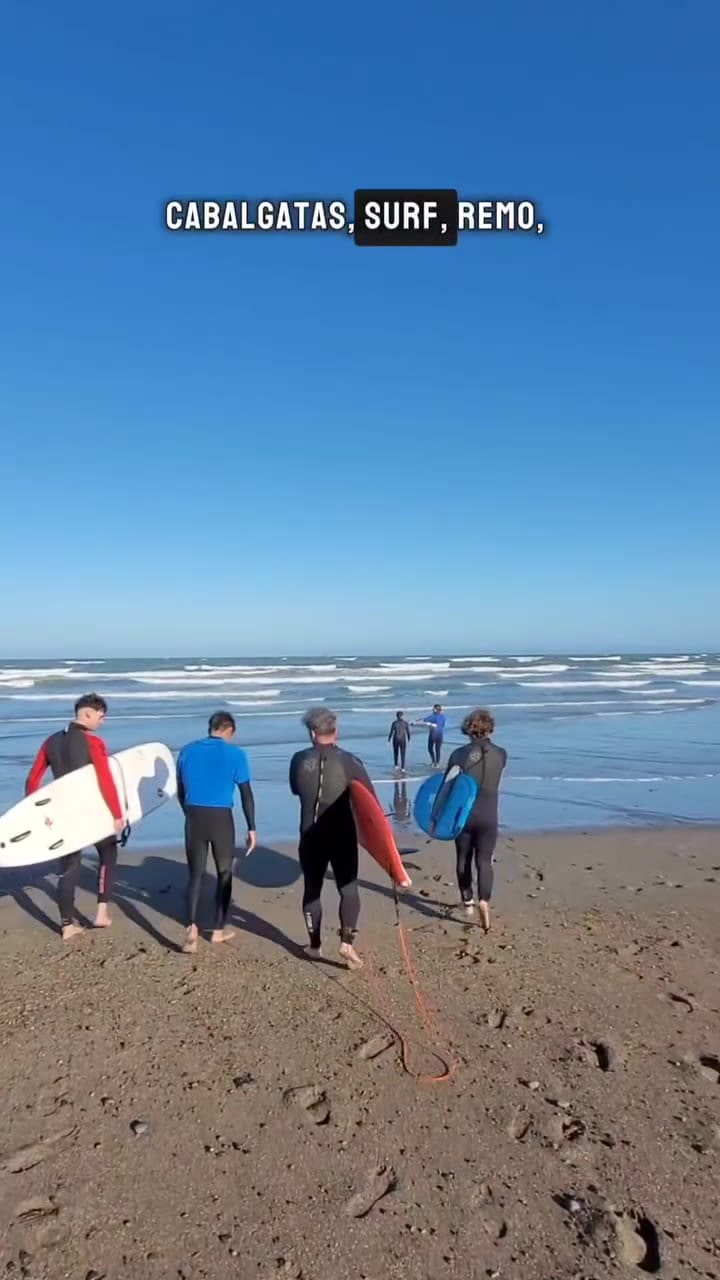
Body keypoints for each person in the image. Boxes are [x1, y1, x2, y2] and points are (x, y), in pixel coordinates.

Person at [25, 693, 125, 941]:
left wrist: (37, 811)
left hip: (63, 813)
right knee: (109, 852)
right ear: (87, 713)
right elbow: (105, 779)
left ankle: (67, 925)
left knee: (69, 867)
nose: (102, 722)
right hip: (92, 811)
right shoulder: (94, 742)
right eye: (101, 717)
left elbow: (32, 780)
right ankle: (101, 911)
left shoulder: (51, 741)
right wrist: (117, 813)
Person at [289, 706, 374, 970]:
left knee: (312, 889)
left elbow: (295, 789)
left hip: (310, 835)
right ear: (335, 732)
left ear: (313, 733)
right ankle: (347, 942)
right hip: (343, 836)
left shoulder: (298, 759)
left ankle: (314, 946)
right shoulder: (350, 761)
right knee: (348, 890)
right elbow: (369, 800)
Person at [176, 711, 257, 955]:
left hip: (194, 816)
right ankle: (218, 930)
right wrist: (251, 827)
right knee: (224, 872)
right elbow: (246, 794)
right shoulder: (236, 754)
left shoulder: (187, 751)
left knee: (196, 874)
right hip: (221, 818)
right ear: (230, 730)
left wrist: (187, 811)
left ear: (210, 727)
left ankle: (191, 928)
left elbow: (181, 789)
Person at [442, 708, 507, 932]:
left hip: (464, 815)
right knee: (485, 860)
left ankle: (468, 902)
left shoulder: (458, 754)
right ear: (490, 728)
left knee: (463, 857)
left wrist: (438, 814)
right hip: (489, 814)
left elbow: (447, 786)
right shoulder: (502, 753)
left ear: (468, 729)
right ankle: (484, 901)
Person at [421, 703, 447, 767]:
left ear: (435, 710)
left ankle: (433, 761)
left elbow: (425, 720)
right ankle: (437, 763)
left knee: (430, 748)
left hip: (433, 734)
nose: (432, 709)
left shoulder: (433, 716)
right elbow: (442, 725)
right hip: (440, 734)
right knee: (438, 749)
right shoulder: (443, 717)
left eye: (433, 708)